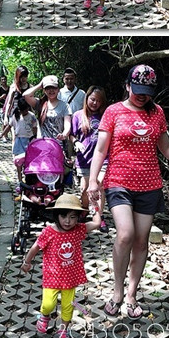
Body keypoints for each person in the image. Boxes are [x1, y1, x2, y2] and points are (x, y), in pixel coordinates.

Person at [87, 64, 169, 319]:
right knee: (125, 234)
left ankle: (132, 294)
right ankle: (117, 292)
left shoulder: (157, 113)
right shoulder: (113, 111)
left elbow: (165, 147)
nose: (142, 96)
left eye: (147, 92)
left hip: (149, 185)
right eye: (137, 90)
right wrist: (93, 181)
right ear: (127, 86)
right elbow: (100, 150)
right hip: (118, 182)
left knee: (141, 241)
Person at [21, 193, 101, 338]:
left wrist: (94, 205)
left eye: (72, 217)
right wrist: (27, 262)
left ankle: (63, 329)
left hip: (70, 277)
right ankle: (44, 316)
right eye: (63, 216)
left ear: (78, 218)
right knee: (48, 304)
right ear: (56, 215)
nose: (68, 221)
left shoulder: (78, 229)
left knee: (67, 306)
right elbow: (36, 246)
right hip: (52, 277)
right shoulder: (49, 232)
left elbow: (97, 223)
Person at [71, 86, 109, 231]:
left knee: (100, 186)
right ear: (87, 98)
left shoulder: (105, 116)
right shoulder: (78, 115)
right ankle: (85, 209)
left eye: (98, 101)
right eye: (92, 99)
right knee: (85, 189)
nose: (95, 103)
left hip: (103, 158)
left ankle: (99, 216)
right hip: (84, 159)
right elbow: (72, 135)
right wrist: (76, 142)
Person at [23, 75, 72, 155]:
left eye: (54, 88)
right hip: (43, 146)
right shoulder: (40, 104)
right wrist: (40, 85)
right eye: (48, 88)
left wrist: (64, 134)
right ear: (44, 90)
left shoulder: (65, 106)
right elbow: (26, 95)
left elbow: (67, 124)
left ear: (58, 89)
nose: (51, 90)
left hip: (59, 147)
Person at [0, 97, 38, 188]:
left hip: (29, 141)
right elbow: (9, 126)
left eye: (26, 109)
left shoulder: (31, 116)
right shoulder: (16, 116)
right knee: (18, 163)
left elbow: (35, 127)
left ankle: (28, 179)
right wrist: (1, 135)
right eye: (23, 110)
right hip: (19, 141)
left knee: (28, 162)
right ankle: (20, 180)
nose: (25, 112)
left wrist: (34, 138)